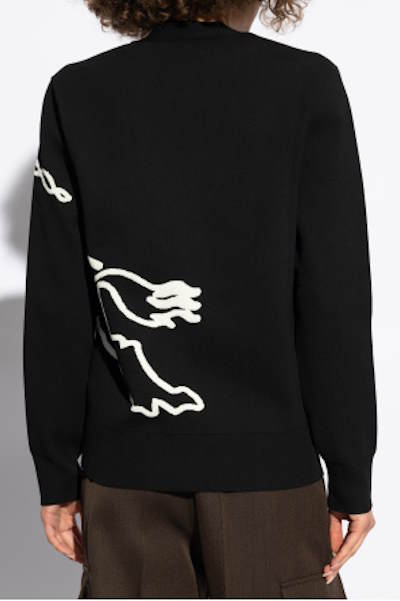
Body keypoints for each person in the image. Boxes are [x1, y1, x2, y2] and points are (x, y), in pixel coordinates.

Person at [23, 0, 377, 597]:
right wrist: (350, 474)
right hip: (269, 476)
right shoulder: (305, 85)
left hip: (126, 478)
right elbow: (333, 298)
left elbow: (57, 305)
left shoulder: (79, 91)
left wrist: (56, 474)